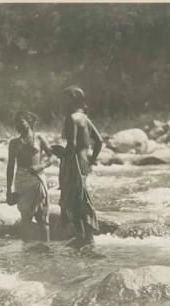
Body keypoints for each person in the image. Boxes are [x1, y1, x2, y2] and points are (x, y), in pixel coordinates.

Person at [58, 85, 103, 248]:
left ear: (73, 99)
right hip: (83, 161)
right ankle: (86, 237)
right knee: (80, 196)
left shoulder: (72, 118)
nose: (62, 103)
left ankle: (86, 237)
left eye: (65, 99)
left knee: (73, 198)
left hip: (74, 162)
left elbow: (71, 145)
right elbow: (99, 141)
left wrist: (59, 154)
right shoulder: (85, 118)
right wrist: (91, 160)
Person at [6, 110, 53, 242]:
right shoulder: (13, 143)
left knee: (42, 218)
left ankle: (46, 250)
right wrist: (8, 190)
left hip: (38, 179)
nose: (18, 126)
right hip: (21, 180)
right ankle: (27, 254)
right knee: (25, 219)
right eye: (16, 123)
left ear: (30, 122)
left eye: (21, 122)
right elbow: (10, 167)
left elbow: (53, 157)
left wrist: (41, 166)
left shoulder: (39, 138)